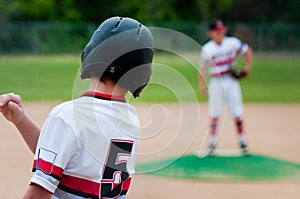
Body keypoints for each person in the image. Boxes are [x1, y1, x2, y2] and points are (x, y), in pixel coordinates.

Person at [0, 16, 154, 198]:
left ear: (93, 53)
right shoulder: (129, 118)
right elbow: (68, 155)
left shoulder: (66, 116)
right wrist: (21, 121)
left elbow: (38, 193)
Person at [199, 19, 253, 155]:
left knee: (237, 112)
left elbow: (247, 51)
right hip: (216, 82)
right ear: (210, 33)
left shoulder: (232, 43)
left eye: (222, 30)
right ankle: (211, 143)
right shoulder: (207, 48)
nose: (220, 33)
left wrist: (247, 67)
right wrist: (202, 85)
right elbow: (202, 68)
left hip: (231, 81)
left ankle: (243, 142)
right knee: (214, 113)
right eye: (217, 31)